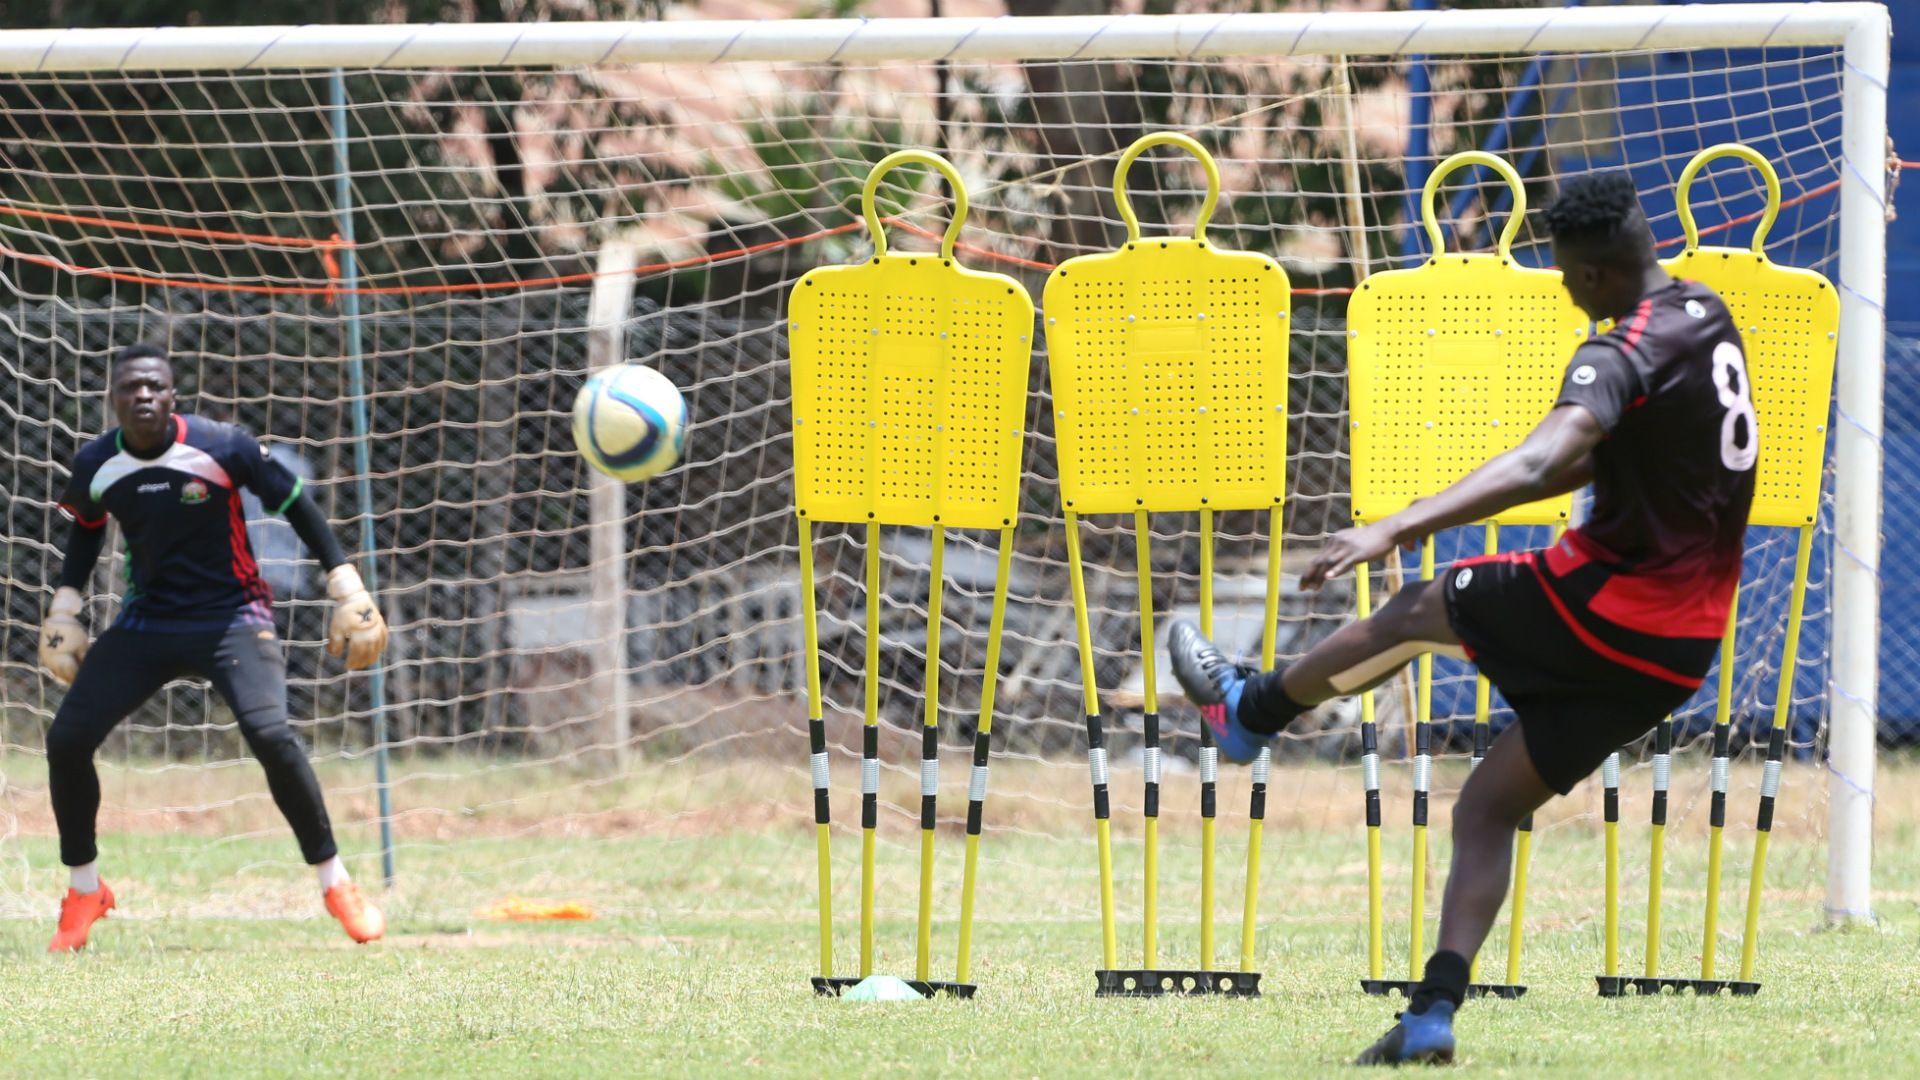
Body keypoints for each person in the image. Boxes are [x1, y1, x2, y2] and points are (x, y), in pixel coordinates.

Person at [1168, 173, 1757, 1065]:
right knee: (1486, 806)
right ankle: (1431, 1015)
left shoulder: (1615, 351)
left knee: (1417, 605)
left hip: (1613, 607)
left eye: (1563, 275)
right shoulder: (1707, 315)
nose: (1560, 288)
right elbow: (1589, 460)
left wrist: (1398, 523)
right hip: (1678, 651)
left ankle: (1248, 714)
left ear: (1593, 275)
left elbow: (1543, 457)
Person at [35, 343, 392, 952]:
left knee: (272, 736)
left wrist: (345, 583)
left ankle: (337, 882)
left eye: (153, 385)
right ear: (113, 399)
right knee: (67, 740)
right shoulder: (97, 462)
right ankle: (84, 890)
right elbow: (86, 528)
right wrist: (66, 606)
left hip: (233, 618)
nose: (142, 395)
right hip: (147, 623)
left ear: (172, 395)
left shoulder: (222, 445)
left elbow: (295, 504)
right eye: (129, 388)